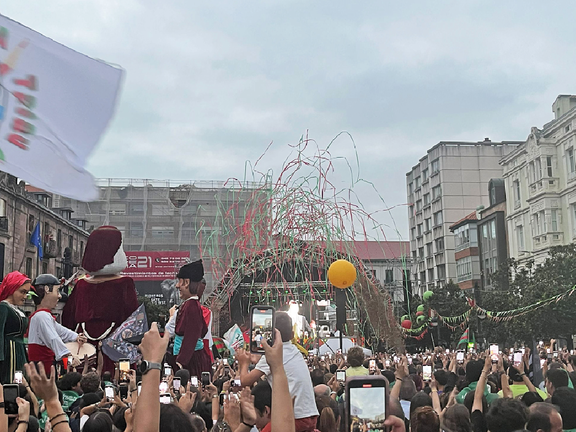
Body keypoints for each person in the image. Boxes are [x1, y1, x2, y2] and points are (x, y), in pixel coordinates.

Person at [62, 226, 139, 374]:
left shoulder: (81, 284)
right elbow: (133, 319)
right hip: (115, 341)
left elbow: (68, 318)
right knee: (117, 378)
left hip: (83, 341)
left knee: (81, 376)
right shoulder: (124, 283)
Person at [237, 312, 318, 432]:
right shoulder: (293, 350)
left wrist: (243, 363)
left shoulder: (277, 353)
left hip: (295, 416)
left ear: (271, 334)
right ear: (292, 335)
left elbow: (244, 382)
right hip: (311, 415)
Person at [27, 274, 86, 375]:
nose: (59, 296)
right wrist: (67, 355)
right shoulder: (42, 316)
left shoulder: (43, 316)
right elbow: (53, 338)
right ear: (47, 289)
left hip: (45, 367)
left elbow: (60, 330)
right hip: (43, 369)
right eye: (57, 291)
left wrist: (76, 337)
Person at [173, 260, 211, 377]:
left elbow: (192, 337)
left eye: (179, 281)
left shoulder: (191, 306)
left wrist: (181, 362)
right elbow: (203, 331)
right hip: (192, 358)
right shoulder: (192, 305)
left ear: (187, 282)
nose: (177, 285)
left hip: (191, 362)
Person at [0, 271, 30, 384]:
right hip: (10, 352)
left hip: (19, 351)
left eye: (26, 292)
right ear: (12, 289)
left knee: (20, 379)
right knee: (12, 381)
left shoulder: (18, 310)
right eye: (22, 292)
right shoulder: (3, 308)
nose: (25, 296)